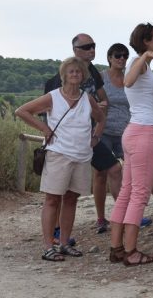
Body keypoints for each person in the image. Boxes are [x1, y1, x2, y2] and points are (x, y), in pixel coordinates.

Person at [16, 57, 105, 261]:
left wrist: (96, 137)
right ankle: (49, 246)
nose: (75, 74)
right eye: (71, 71)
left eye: (79, 72)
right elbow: (22, 111)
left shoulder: (87, 98)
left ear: (83, 76)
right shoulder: (53, 97)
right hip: (59, 154)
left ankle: (64, 243)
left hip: (82, 156)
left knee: (71, 199)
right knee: (52, 199)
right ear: (64, 75)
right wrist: (44, 128)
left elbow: (100, 119)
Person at [108, 23, 153, 267]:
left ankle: (116, 248)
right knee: (139, 194)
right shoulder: (140, 63)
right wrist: (145, 55)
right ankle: (131, 251)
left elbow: (141, 98)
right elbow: (129, 83)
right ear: (146, 41)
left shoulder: (144, 67)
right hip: (143, 134)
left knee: (127, 191)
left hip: (134, 130)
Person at [101, 44, 153, 221]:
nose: (122, 59)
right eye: (117, 55)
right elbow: (93, 100)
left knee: (139, 175)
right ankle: (103, 217)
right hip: (107, 130)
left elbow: (146, 101)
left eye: (124, 55)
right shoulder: (104, 78)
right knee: (108, 172)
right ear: (109, 58)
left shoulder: (142, 74)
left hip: (130, 128)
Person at [44, 33, 116, 236]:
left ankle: (120, 217)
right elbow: (46, 111)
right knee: (58, 193)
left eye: (93, 46)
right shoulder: (57, 80)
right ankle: (55, 233)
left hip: (86, 139)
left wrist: (97, 134)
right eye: (86, 47)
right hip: (62, 144)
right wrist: (46, 131)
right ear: (75, 50)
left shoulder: (93, 72)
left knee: (113, 169)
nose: (92, 50)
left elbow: (104, 102)